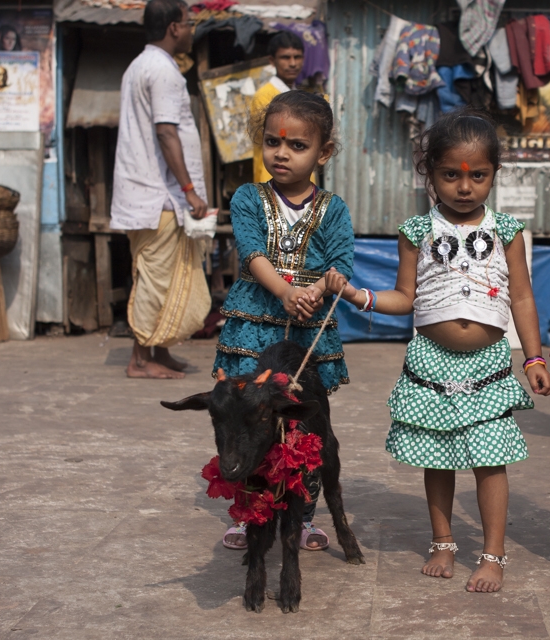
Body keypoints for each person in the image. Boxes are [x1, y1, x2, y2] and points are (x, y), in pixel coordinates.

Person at [326, 110, 550, 593]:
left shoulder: (507, 231)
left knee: (490, 458)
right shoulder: (417, 231)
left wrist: (533, 357)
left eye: (478, 175)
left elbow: (523, 297)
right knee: (439, 456)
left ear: (494, 173)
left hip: (489, 366)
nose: (465, 187)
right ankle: (443, 542)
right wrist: (357, 295)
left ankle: (493, 554)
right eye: (451, 174)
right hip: (430, 362)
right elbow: (405, 297)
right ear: (430, 173)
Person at [214, 90, 353, 553]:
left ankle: (305, 515)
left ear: (324, 152)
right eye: (273, 142)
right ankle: (250, 514)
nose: (282, 153)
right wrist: (285, 291)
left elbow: (341, 263)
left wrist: (319, 288)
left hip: (307, 333)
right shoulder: (248, 198)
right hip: (255, 325)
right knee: (250, 420)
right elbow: (251, 252)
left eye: (297, 146)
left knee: (300, 423)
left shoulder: (333, 209)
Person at [110, 0, 210, 380]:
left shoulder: (139, 66)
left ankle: (160, 351)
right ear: (173, 27)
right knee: (155, 277)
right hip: (159, 196)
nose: (190, 30)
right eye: (188, 23)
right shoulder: (163, 71)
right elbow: (167, 132)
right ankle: (139, 359)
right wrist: (189, 191)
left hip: (148, 194)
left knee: (165, 276)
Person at [250, 31, 304, 183]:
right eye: (285, 57)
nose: (293, 63)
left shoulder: (300, 96)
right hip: (272, 181)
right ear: (272, 60)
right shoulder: (264, 96)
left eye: (297, 57)